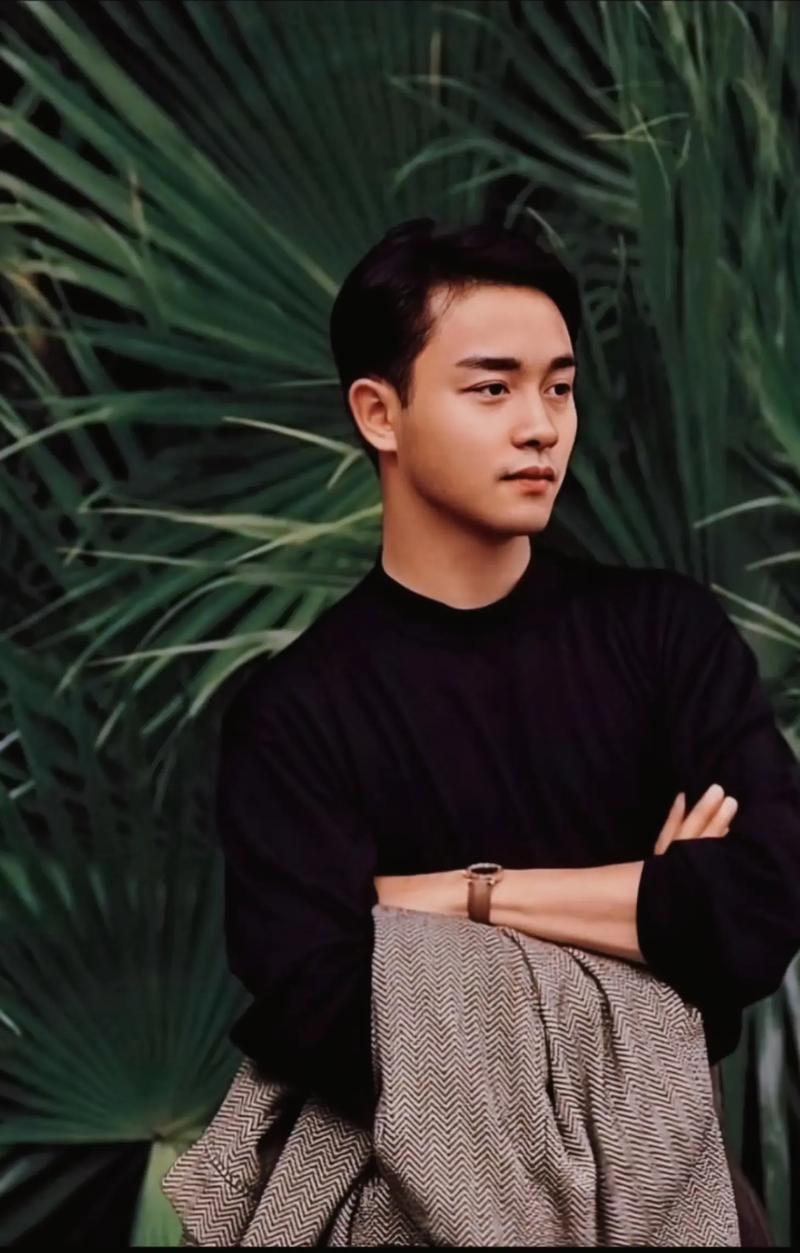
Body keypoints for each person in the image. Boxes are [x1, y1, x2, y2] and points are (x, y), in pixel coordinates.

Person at [215, 218, 800, 1150]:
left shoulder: (666, 635)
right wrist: (650, 909)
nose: (541, 426)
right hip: (417, 1195)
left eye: (558, 387)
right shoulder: (296, 712)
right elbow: (327, 1016)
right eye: (493, 387)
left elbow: (756, 909)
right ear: (379, 413)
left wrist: (450, 899)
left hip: (669, 1181)